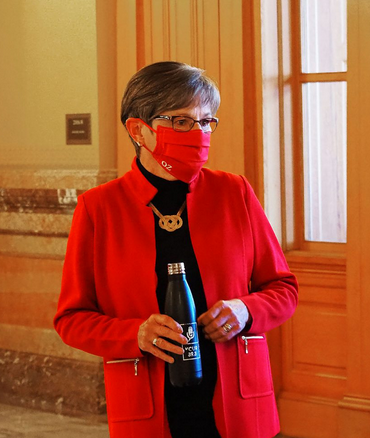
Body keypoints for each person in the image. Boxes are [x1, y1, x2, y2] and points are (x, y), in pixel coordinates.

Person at [54, 61, 298, 438]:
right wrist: (134, 333)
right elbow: (71, 319)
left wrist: (244, 310)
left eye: (206, 121)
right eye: (182, 122)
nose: (198, 132)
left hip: (238, 405)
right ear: (139, 130)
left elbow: (284, 290)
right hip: (149, 406)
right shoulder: (98, 208)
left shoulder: (234, 192)